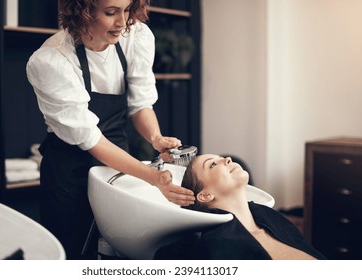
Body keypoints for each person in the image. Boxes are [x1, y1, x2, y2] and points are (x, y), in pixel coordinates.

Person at [26, 0, 194, 259]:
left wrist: (155, 138)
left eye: (126, 9)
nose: (122, 22)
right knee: (73, 253)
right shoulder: (52, 60)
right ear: (82, 12)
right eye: (111, 12)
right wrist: (151, 177)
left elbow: (140, 104)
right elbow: (90, 139)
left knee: (115, 251)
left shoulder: (134, 36)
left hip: (117, 166)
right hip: (70, 174)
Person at [156, 154, 326, 260]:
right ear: (205, 195)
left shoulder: (276, 220)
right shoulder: (217, 247)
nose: (227, 159)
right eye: (212, 164)